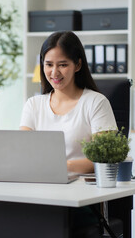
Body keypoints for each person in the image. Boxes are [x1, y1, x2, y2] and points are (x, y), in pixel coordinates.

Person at [20, 31, 117, 174]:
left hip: (81, 187)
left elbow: (103, 157)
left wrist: (64, 167)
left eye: (62, 65)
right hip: (40, 184)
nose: (54, 73)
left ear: (77, 65)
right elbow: (21, 152)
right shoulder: (33, 104)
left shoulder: (96, 102)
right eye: (49, 65)